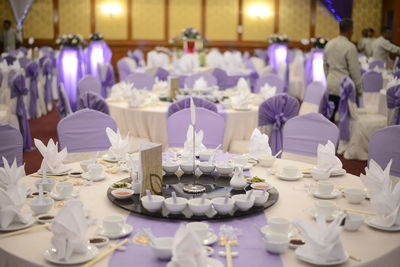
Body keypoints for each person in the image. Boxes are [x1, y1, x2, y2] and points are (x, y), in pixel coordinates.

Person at [323, 18, 362, 122]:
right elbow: (354, 71)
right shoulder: (350, 47)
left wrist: (328, 78)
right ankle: (342, 138)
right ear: (350, 30)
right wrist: (359, 89)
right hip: (345, 86)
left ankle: (329, 136)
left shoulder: (329, 44)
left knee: (330, 116)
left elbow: (325, 66)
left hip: (331, 83)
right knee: (346, 119)